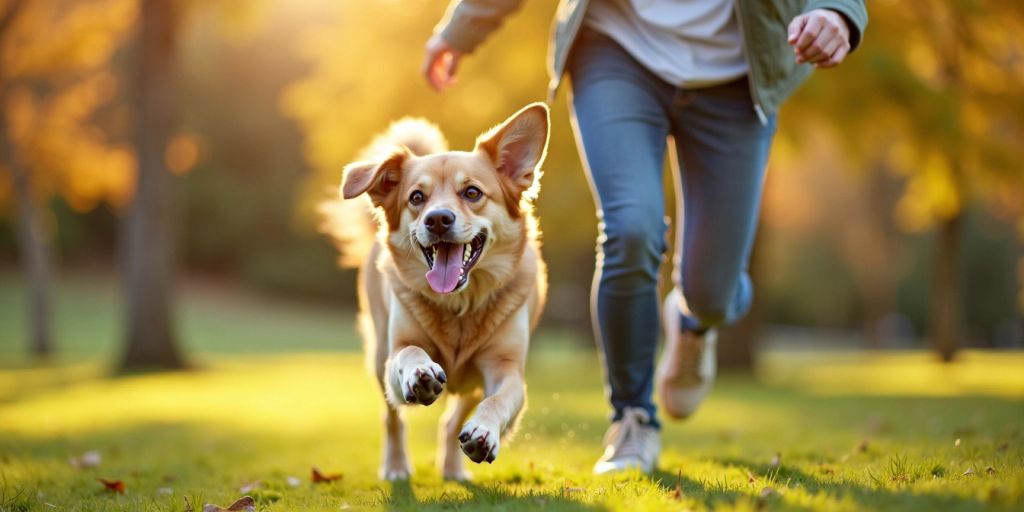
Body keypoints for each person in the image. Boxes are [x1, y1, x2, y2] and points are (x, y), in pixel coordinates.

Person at [422, 0, 867, 474]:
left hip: (738, 76)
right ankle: (632, 419)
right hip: (617, 50)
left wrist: (837, 12)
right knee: (630, 229)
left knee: (712, 292)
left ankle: (694, 323)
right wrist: (461, 28)